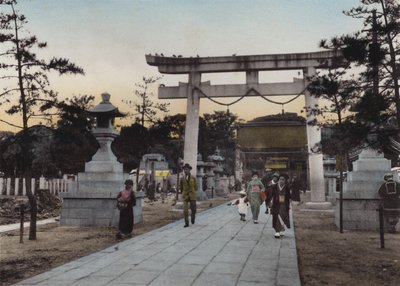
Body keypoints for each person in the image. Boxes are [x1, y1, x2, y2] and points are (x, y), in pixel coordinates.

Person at [268, 174, 291, 238]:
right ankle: (277, 231)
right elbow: (270, 195)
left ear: (285, 181)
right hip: (276, 204)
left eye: (283, 180)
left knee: (283, 216)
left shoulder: (286, 187)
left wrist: (289, 204)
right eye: (280, 179)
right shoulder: (274, 186)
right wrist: (270, 202)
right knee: (276, 216)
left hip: (284, 204)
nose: (281, 181)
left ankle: (282, 229)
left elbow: (289, 197)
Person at [180, 163, 197, 227]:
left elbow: (196, 187)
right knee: (185, 210)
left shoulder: (193, 178)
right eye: (184, 169)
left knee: (193, 209)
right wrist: (183, 193)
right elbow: (181, 187)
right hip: (185, 195)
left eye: (186, 169)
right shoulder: (182, 178)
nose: (185, 171)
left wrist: (192, 191)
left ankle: (193, 217)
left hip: (192, 195)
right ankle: (186, 223)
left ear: (189, 170)